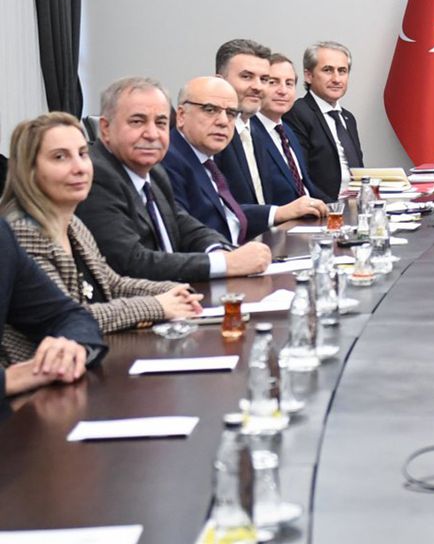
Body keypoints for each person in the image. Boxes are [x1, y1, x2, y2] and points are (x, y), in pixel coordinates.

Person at [0, 113, 203, 365]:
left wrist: (172, 291)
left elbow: (112, 283)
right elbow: (70, 318)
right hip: (39, 377)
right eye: (60, 157)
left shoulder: (73, 224)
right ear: (28, 170)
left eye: (83, 154)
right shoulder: (22, 232)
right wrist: (157, 305)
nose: (79, 167)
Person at [76, 77, 271, 281]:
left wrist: (220, 250)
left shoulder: (154, 171)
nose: (152, 134)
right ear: (105, 129)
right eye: (137, 122)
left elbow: (183, 225)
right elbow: (130, 262)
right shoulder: (95, 176)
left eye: (160, 123)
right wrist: (225, 264)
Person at [164, 77, 325, 245]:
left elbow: (226, 215)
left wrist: (277, 213)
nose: (223, 121)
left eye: (231, 113)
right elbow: (186, 234)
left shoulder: (207, 159)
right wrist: (228, 257)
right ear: (181, 115)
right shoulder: (169, 161)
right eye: (210, 110)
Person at [0, 218, 105, 400]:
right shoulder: (24, 228)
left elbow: (65, 314)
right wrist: (7, 380)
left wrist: (69, 347)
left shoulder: (2, 237)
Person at [284, 41, 364, 200]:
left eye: (342, 71)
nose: (336, 79)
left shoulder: (348, 118)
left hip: (357, 204)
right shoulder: (297, 113)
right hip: (325, 207)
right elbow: (301, 177)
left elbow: (358, 170)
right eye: (328, 70)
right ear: (308, 76)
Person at [211, 38, 273, 206]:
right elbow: (217, 208)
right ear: (220, 81)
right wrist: (275, 213)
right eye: (246, 77)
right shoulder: (212, 134)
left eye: (264, 79)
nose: (258, 87)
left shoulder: (258, 132)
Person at [255, 53, 324, 202]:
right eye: (273, 82)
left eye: (289, 83)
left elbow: (305, 185)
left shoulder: (287, 131)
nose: (283, 91)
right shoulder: (248, 133)